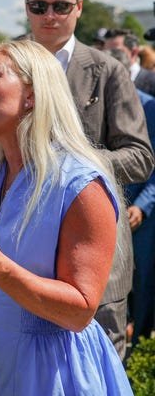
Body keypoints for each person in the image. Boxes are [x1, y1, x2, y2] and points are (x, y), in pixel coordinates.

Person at [0, 39, 133, 395]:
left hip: (51, 375)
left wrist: (3, 272)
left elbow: (80, 310)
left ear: (32, 95)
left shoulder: (81, 185)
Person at [23, 0, 154, 359]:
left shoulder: (108, 70)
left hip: (95, 250)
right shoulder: (9, 66)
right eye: (38, 6)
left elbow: (140, 157)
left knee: (100, 372)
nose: (49, 15)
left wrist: (68, 168)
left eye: (61, 5)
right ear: (26, 5)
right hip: (25, 249)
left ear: (79, 7)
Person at [104, 48, 155, 347]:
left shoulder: (150, 107)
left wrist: (143, 206)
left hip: (141, 218)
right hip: (104, 211)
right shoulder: (91, 105)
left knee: (143, 285)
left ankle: (140, 352)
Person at [104, 28, 155, 96]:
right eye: (105, 52)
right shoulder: (103, 81)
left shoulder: (152, 82)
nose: (108, 55)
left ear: (134, 52)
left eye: (115, 52)